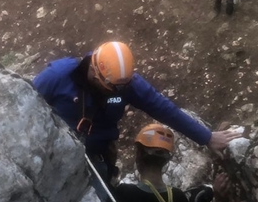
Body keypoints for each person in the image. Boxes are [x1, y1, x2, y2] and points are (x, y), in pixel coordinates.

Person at [33, 40, 241, 185]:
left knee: (101, 199)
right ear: (96, 74)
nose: (121, 91)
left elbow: (165, 110)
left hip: (97, 154)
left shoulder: (127, 84)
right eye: (115, 87)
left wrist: (207, 137)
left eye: (124, 86)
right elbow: (27, 104)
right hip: (55, 149)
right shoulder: (58, 76)